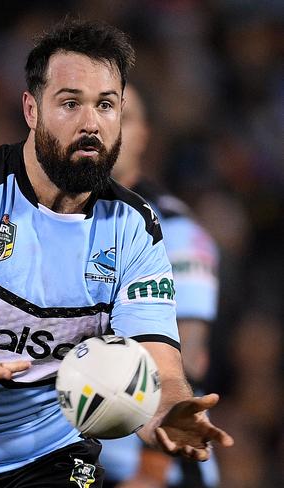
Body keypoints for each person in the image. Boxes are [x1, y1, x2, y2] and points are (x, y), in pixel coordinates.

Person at [0, 18, 233, 488]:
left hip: (52, 456)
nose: (91, 123)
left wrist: (167, 410)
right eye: (70, 103)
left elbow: (157, 360)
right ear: (31, 109)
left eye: (106, 106)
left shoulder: (137, 227)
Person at [100, 85, 222, 488]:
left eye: (124, 115)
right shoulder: (55, 220)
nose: (108, 125)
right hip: (76, 461)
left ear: (144, 135)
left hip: (152, 469)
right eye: (101, 109)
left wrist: (150, 470)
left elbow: (186, 355)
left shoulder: (177, 232)